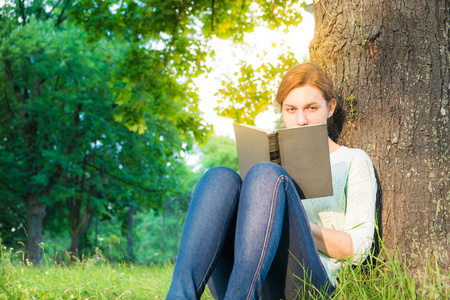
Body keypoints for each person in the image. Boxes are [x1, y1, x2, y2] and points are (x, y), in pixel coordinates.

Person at [166, 62, 377, 300]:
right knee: (219, 177)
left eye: (311, 108)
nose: (301, 120)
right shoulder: (272, 161)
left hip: (307, 283)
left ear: (330, 108)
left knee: (266, 174)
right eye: (291, 109)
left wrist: (294, 226)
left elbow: (359, 250)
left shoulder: (353, 160)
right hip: (246, 275)